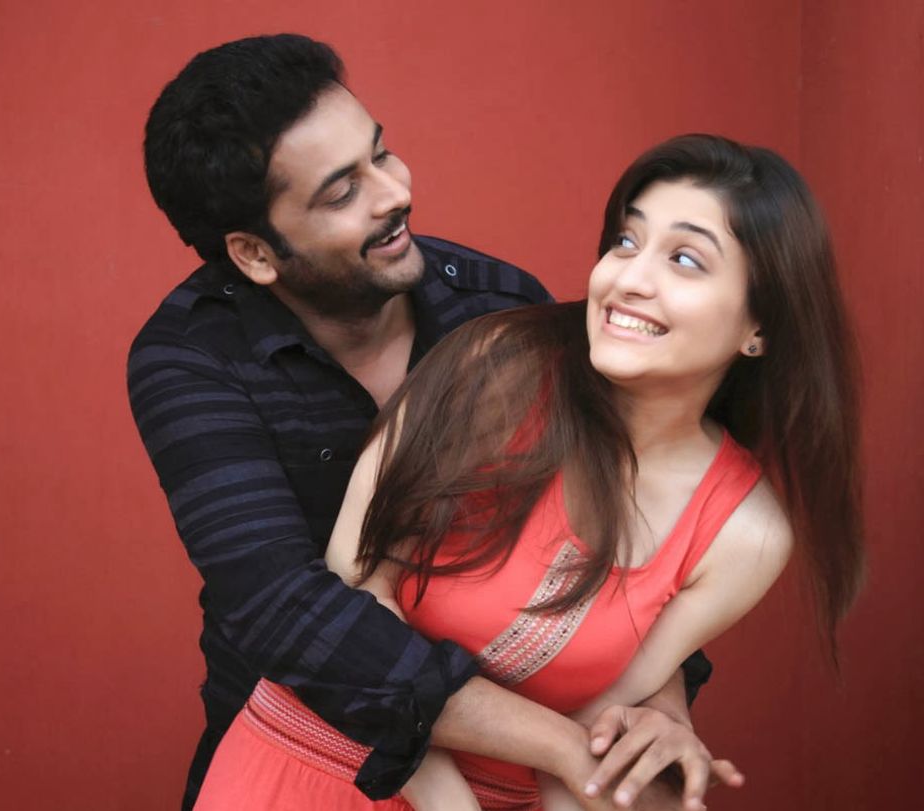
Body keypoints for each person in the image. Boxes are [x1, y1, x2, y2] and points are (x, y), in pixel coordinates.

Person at [129, 34, 721, 811]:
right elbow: (287, 609)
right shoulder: (191, 358)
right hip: (299, 755)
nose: (394, 192)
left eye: (381, 153)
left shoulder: (499, 307)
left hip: (525, 771)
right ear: (256, 253)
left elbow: (627, 524)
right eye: (342, 193)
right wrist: (560, 745)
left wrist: (662, 708)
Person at [191, 133, 865, 811]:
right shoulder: (497, 369)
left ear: (758, 327)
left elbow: (590, 741)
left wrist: (656, 733)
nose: (628, 278)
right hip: (310, 767)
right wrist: (449, 801)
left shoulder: (745, 533)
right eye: (626, 241)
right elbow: (358, 588)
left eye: (684, 259)